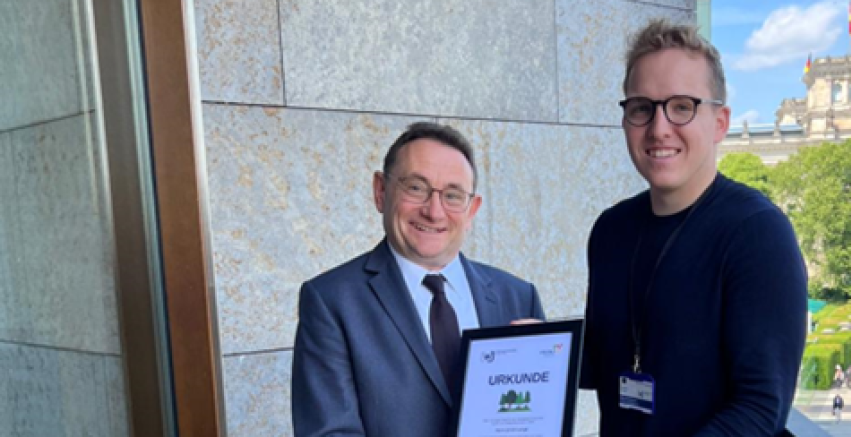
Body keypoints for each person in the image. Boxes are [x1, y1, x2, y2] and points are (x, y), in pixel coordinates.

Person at [579, 19, 808, 436]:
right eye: (642, 108)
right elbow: (606, 356)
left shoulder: (757, 233)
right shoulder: (611, 231)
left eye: (682, 106)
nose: (659, 127)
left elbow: (760, 408)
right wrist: (542, 350)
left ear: (719, 123)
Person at [291, 122, 546, 436]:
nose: (434, 212)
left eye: (453, 195)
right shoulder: (332, 301)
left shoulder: (518, 298)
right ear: (381, 192)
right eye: (416, 188)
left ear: (472, 209)